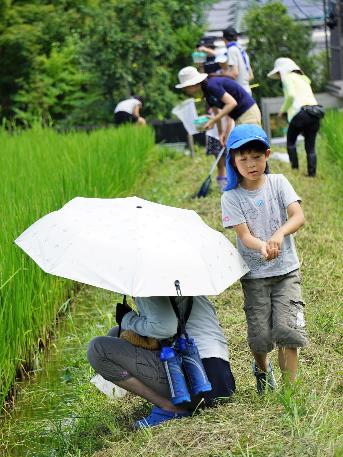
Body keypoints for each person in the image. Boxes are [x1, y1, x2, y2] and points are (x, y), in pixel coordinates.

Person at [221, 124, 308, 394]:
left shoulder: (279, 183)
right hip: (255, 275)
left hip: (286, 272)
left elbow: (298, 216)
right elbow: (245, 236)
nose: (251, 164)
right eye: (243, 158)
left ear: (267, 155)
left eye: (256, 157)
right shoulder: (231, 197)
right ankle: (261, 368)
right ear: (233, 161)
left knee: (287, 329)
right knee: (260, 337)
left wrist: (279, 234)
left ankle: (290, 392)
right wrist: (262, 246)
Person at [87, 295, 236, 428]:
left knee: (97, 348)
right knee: (116, 333)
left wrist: (127, 318)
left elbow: (165, 328)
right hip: (220, 381)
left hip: (198, 385)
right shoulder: (180, 277)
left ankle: (170, 408)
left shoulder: (148, 283)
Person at [175, 66, 261, 190]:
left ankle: (259, 183)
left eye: (185, 87)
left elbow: (231, 103)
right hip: (239, 117)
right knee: (245, 150)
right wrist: (221, 133)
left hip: (248, 112)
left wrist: (213, 120)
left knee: (251, 149)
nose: (185, 90)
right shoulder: (207, 92)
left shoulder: (212, 85)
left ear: (193, 84)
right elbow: (216, 112)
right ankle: (249, 183)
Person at [268, 57, 323, 177]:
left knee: (291, 141)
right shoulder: (303, 79)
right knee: (310, 146)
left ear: (282, 70)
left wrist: (282, 111)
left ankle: (295, 169)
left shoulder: (288, 77)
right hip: (315, 113)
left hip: (301, 113)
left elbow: (291, 96)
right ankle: (312, 174)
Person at [198, 27, 254, 94]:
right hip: (247, 90)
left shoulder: (231, 50)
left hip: (239, 92)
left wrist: (216, 75)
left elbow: (234, 74)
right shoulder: (242, 51)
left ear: (223, 38)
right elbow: (251, 76)